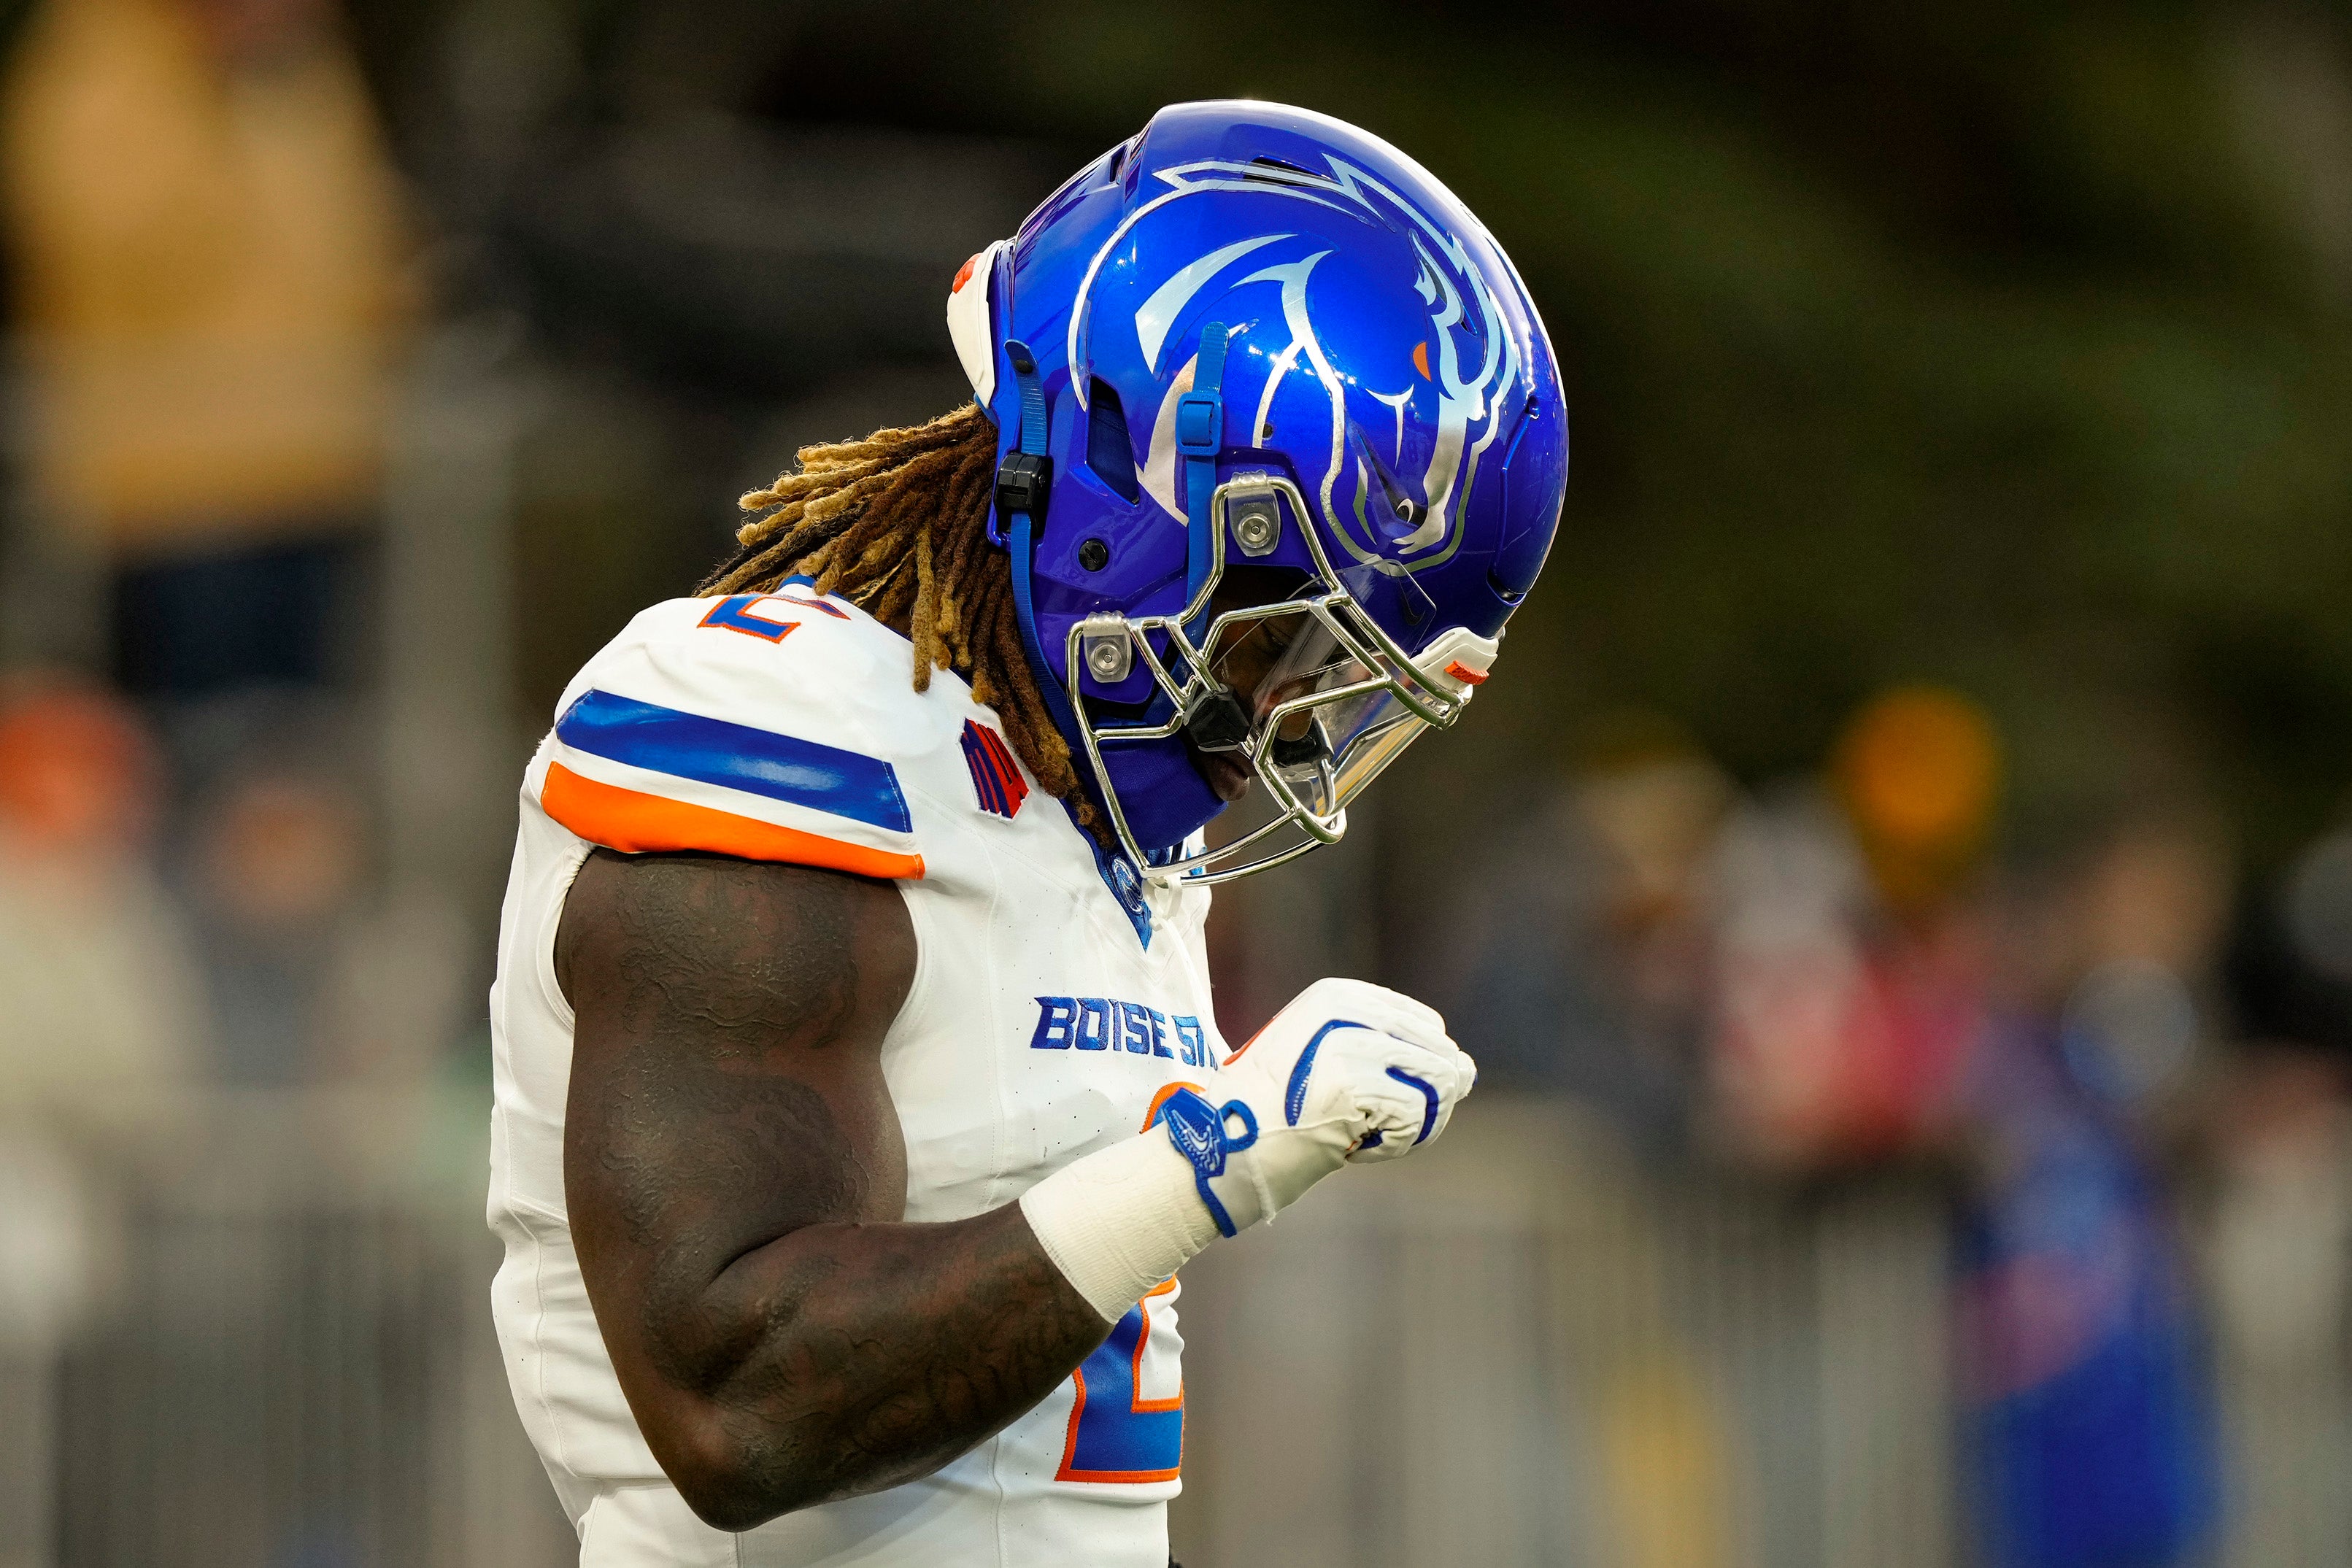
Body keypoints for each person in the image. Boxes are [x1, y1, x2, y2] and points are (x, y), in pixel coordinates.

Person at [487, 101, 1568, 1567]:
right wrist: (1213, 1156)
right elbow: (736, 1405)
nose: (1276, 732)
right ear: (1125, 506)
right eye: (1280, 652)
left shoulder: (1074, 817)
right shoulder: (782, 728)